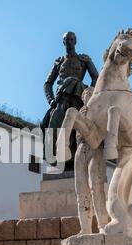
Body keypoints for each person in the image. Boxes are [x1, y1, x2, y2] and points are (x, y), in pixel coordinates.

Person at [41, 31, 99, 170]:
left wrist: (88, 95)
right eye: (67, 40)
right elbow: (47, 83)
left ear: (76, 41)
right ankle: (55, 159)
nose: (69, 42)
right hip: (61, 100)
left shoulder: (84, 60)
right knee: (52, 127)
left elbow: (96, 77)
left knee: (77, 133)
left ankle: (74, 162)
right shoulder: (59, 62)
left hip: (78, 100)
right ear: (63, 42)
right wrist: (51, 100)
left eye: (72, 39)